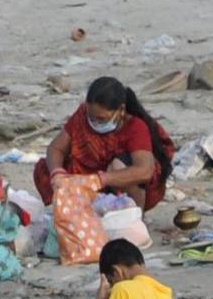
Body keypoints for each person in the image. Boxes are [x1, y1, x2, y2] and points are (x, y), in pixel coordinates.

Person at [35, 74, 172, 214]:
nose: (95, 122)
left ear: (121, 110)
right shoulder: (82, 116)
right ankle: (74, 213)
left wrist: (102, 179)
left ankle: (133, 216)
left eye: (101, 119)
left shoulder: (135, 127)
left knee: (118, 166)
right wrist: (57, 172)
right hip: (87, 179)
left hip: (117, 183)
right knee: (45, 169)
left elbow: (145, 170)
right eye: (91, 117)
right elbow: (56, 148)